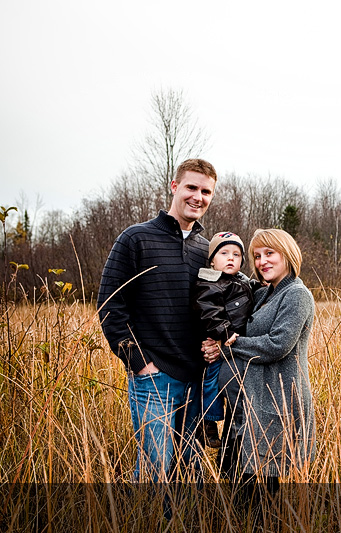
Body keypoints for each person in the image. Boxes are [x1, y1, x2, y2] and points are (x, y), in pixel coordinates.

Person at [97, 158, 217, 482]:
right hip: (154, 378)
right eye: (191, 187)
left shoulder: (207, 251)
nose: (198, 196)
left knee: (189, 468)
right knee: (155, 471)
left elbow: (217, 309)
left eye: (206, 191)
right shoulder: (136, 239)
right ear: (175, 187)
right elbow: (110, 305)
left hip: (196, 379)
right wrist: (139, 362)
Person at [203, 228, 315, 495]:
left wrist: (228, 345)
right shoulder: (265, 293)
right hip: (246, 402)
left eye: (269, 253)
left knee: (261, 488)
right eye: (256, 256)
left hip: (272, 403)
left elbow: (278, 345)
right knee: (236, 480)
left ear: (287, 254)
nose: (262, 261)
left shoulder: (296, 295)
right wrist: (212, 340)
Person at [191, 231, 254, 449]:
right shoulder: (209, 283)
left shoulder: (242, 280)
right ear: (212, 260)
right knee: (211, 379)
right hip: (219, 338)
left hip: (236, 345)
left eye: (236, 255)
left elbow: (251, 290)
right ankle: (207, 420)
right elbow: (208, 312)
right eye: (224, 253)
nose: (231, 258)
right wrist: (224, 332)